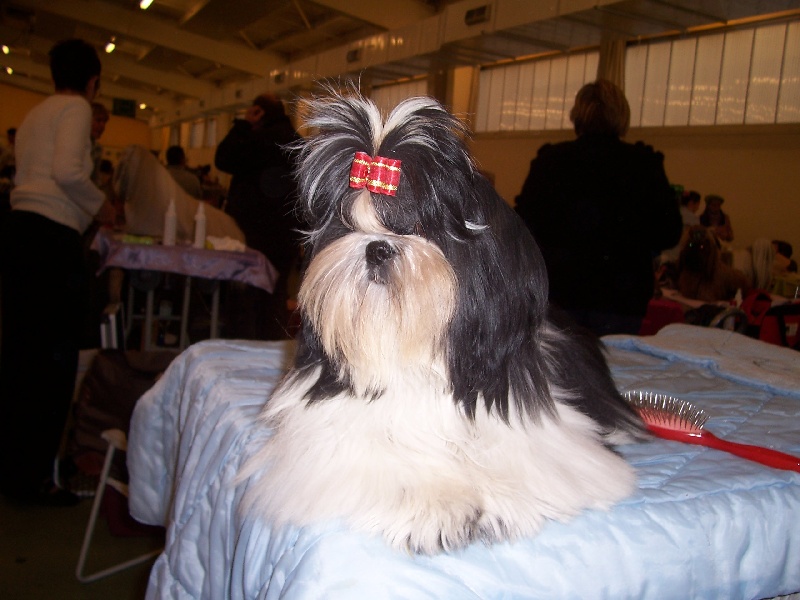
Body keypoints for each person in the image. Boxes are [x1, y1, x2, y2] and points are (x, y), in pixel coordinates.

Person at [0, 39, 115, 506]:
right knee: (52, 362)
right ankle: (37, 477)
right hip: (51, 239)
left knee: (20, 354)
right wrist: (102, 207)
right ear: (92, 81)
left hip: (19, 232)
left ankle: (17, 465)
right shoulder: (76, 109)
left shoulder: (34, 113)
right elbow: (68, 173)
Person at [515, 79, 682, 336]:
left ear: (577, 114)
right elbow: (669, 233)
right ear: (622, 114)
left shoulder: (551, 162)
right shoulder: (644, 165)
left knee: (562, 360)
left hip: (562, 294)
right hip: (621, 300)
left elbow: (523, 227)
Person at [214, 93, 304, 339]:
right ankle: (270, 348)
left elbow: (222, 159)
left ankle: (239, 347)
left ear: (258, 112)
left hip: (249, 233)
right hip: (285, 235)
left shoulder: (253, 140)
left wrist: (243, 125)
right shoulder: (297, 143)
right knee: (275, 295)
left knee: (244, 297)